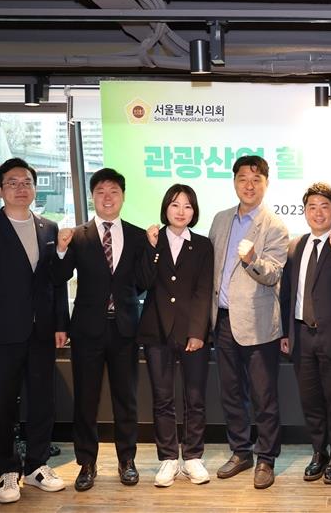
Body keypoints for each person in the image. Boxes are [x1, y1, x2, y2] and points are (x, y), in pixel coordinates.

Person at [0, 158, 68, 504]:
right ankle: (7, 470)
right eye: (12, 182)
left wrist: (61, 324)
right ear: (0, 189)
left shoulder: (49, 227)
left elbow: (55, 282)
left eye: (27, 182)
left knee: (42, 402)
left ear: (35, 188)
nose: (21, 188)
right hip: (1, 332)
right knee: (3, 403)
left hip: (41, 332)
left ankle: (36, 465)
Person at [53, 168, 147, 491]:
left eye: (114, 191)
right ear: (92, 197)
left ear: (123, 196)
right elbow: (59, 277)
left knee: (126, 398)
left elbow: (143, 282)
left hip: (124, 329)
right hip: (87, 329)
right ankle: (86, 463)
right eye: (101, 192)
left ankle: (127, 460)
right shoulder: (77, 236)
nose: (108, 198)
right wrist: (61, 249)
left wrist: (151, 249)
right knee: (85, 400)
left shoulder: (136, 235)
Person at [208, 155, 289, 489]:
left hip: (258, 324)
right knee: (230, 393)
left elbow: (273, 275)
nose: (249, 185)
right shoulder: (220, 219)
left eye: (256, 179)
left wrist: (253, 259)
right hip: (222, 321)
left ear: (266, 184)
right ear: (234, 182)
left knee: (263, 396)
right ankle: (240, 452)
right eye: (243, 178)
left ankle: (266, 458)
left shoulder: (275, 226)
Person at [280, 182, 331, 485]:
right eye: (312, 207)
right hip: (302, 335)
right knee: (311, 399)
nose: (318, 213)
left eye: (324, 207)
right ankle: (319, 451)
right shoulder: (296, 246)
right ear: (304, 212)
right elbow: (287, 293)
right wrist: (285, 331)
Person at [137, 184, 214, 487]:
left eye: (187, 206)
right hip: (156, 330)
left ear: (194, 212)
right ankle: (168, 458)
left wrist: (197, 332)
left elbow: (204, 290)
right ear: (165, 208)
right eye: (175, 205)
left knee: (195, 398)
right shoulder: (152, 240)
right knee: (162, 399)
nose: (181, 211)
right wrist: (152, 248)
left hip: (192, 332)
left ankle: (193, 456)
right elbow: (142, 283)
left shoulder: (203, 245)